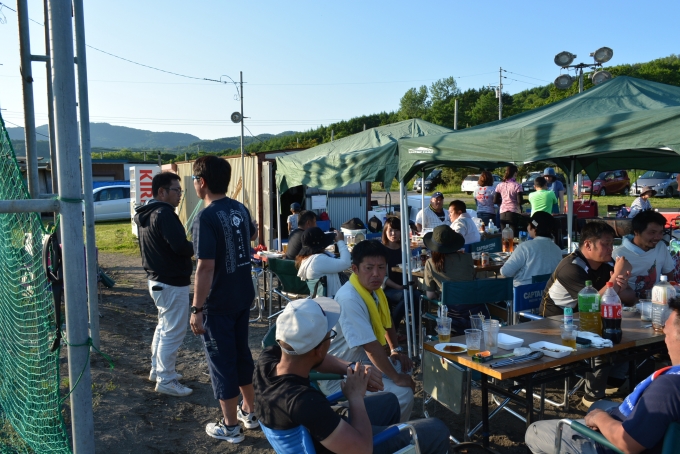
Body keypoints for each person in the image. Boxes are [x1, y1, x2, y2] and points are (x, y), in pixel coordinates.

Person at [253, 297, 450, 454]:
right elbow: (362, 450)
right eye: (330, 336)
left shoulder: (268, 360)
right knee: (436, 430)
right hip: (350, 446)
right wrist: (355, 396)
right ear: (318, 349)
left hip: (319, 433)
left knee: (390, 401)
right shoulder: (304, 402)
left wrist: (354, 368)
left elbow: (317, 359)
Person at [526, 296, 680, 454]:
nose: (664, 339)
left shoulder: (668, 388)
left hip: (609, 445)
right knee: (596, 405)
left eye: (667, 334)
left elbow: (627, 444)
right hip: (637, 426)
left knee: (534, 432)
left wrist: (600, 418)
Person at [189, 156, 260, 443]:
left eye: (194, 180)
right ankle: (250, 412)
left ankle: (230, 427)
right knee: (242, 354)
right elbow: (252, 233)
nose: (194, 184)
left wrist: (197, 308)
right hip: (242, 295)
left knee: (222, 363)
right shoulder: (239, 208)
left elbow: (205, 267)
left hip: (218, 303)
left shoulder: (205, 217)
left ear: (202, 182)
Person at [541, 221, 635, 407]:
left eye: (612, 244)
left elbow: (632, 299)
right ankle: (592, 397)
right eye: (606, 244)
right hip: (556, 323)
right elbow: (592, 303)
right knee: (601, 342)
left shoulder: (606, 264)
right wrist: (615, 276)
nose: (611, 249)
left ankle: (613, 382)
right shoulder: (571, 267)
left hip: (586, 319)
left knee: (623, 335)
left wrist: (621, 283)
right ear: (588, 245)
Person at [320, 240, 416, 422]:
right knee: (403, 393)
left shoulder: (375, 291)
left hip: (362, 362)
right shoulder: (350, 298)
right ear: (355, 269)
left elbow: (387, 321)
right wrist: (396, 378)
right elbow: (370, 346)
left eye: (381, 267)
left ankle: (384, 417)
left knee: (406, 368)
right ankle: (388, 433)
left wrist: (395, 349)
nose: (376, 274)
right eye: (369, 268)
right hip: (341, 373)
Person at [134, 172, 194, 397]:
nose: (180, 195)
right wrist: (200, 245)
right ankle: (166, 379)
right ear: (162, 192)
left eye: (180, 190)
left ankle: (157, 370)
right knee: (173, 331)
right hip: (170, 282)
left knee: (164, 327)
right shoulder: (164, 213)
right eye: (176, 190)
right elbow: (181, 247)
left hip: (158, 280)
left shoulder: (146, 213)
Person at [423, 225, 483, 332]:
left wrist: (439, 293)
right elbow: (471, 279)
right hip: (474, 312)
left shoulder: (430, 263)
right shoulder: (467, 258)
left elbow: (430, 295)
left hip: (450, 314)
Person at [613, 210, 676, 299]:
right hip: (629, 303)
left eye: (661, 232)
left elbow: (668, 274)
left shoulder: (661, 246)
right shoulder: (618, 254)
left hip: (657, 301)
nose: (658, 237)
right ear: (636, 232)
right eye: (652, 232)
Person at [500, 211, 562, 287]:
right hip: (548, 292)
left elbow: (505, 272)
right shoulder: (557, 249)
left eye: (528, 224)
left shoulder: (525, 247)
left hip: (523, 292)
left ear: (534, 228)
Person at [381, 216, 421, 330]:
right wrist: (398, 287)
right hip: (388, 288)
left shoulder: (405, 249)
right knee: (408, 296)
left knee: (417, 295)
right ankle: (393, 328)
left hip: (405, 286)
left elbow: (412, 268)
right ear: (385, 232)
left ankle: (415, 328)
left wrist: (414, 282)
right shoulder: (382, 250)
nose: (393, 233)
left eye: (397, 230)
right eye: (390, 230)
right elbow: (382, 277)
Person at [296, 227, 350, 298]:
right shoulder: (317, 260)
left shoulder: (307, 259)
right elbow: (346, 262)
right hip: (333, 300)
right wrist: (340, 241)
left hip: (320, 299)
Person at [494, 164, 524, 237]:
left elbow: (495, 201)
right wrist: (526, 201)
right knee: (513, 236)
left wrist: (504, 202)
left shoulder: (500, 185)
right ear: (515, 173)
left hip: (502, 212)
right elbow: (520, 201)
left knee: (504, 236)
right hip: (513, 212)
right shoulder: (517, 185)